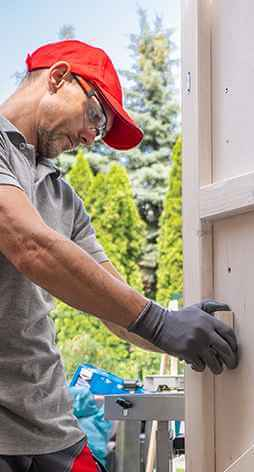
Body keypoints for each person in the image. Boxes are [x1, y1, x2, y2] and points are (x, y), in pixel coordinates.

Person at [0, 40, 238, 471]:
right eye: (95, 116)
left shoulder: (64, 199)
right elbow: (28, 244)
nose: (93, 137)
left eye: (102, 131)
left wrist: (185, 330)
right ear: (57, 77)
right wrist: (160, 323)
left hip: (52, 425)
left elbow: (114, 305)